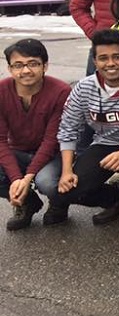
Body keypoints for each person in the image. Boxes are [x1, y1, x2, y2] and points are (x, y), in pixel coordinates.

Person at [48, 30, 119, 241]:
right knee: (67, 190)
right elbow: (68, 128)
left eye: (117, 57)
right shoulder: (84, 87)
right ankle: (117, 197)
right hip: (106, 143)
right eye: (103, 58)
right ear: (95, 61)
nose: (111, 63)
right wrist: (66, 171)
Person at [0, 39, 70, 230]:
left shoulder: (61, 91)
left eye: (33, 63)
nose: (25, 71)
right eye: (18, 65)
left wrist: (27, 177)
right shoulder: (2, 91)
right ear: (9, 68)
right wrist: (16, 180)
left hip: (53, 153)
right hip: (19, 150)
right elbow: (0, 141)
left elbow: (51, 140)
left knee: (46, 182)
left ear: (45, 65)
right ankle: (27, 202)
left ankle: (59, 203)